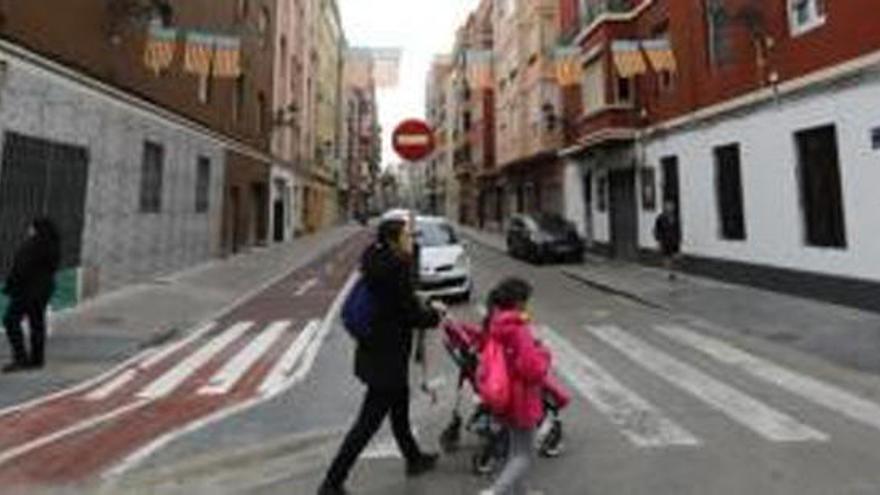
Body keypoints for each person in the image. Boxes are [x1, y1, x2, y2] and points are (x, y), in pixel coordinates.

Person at [318, 218, 445, 495]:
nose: (411, 238)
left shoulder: (377, 260)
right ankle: (332, 482)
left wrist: (415, 297)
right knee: (367, 423)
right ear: (394, 239)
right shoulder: (396, 268)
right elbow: (407, 314)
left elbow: (394, 303)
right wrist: (435, 315)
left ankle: (413, 458)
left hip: (376, 351)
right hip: (386, 358)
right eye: (407, 235)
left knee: (400, 410)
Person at [480, 277, 551, 495]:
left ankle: (521, 492)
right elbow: (532, 369)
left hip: (506, 395)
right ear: (518, 302)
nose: (528, 305)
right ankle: (496, 492)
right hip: (522, 398)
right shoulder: (518, 330)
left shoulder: (497, 324)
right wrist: (544, 354)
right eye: (526, 301)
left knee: (515, 450)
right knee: (525, 455)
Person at [2, 218, 61, 373]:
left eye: (31, 227)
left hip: (25, 291)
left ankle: (20, 357)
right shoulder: (53, 246)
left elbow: (21, 268)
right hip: (43, 291)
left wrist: (10, 286)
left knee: (10, 320)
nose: (29, 230)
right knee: (37, 323)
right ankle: (37, 359)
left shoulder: (31, 246)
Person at [653, 200, 682, 281]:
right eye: (669, 206)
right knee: (667, 257)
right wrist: (658, 240)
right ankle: (670, 273)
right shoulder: (660, 218)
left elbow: (677, 229)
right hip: (665, 241)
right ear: (665, 207)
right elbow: (657, 230)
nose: (670, 208)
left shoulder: (675, 217)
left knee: (676, 257)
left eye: (672, 206)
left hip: (674, 241)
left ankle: (673, 271)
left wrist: (679, 238)